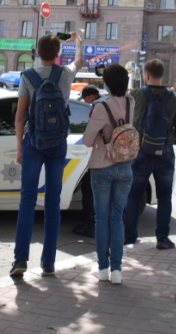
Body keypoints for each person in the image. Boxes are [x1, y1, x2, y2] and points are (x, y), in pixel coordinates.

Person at [10, 32, 83, 278]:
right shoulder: (65, 74)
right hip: (57, 144)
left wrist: (20, 147)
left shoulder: (27, 77)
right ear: (58, 54)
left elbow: (19, 117)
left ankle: (20, 259)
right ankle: (48, 262)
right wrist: (78, 41)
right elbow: (79, 62)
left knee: (27, 200)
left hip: (33, 143)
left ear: (38, 53)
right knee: (53, 202)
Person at [124, 59, 176, 250]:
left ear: (146, 75)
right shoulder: (175, 98)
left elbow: (130, 123)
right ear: (162, 75)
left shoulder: (136, 94)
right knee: (165, 197)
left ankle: (129, 236)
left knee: (134, 195)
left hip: (140, 153)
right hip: (165, 153)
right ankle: (162, 238)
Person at [82, 64, 134, 284]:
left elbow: (86, 140)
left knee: (101, 217)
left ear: (108, 84)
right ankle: (118, 271)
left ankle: (103, 269)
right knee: (117, 217)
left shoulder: (102, 107)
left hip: (102, 166)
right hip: (125, 166)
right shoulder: (132, 102)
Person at [72, 83, 102, 238]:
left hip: (98, 156)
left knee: (89, 190)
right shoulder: (109, 102)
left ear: (91, 96)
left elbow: (91, 133)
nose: (84, 102)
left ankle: (89, 224)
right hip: (111, 156)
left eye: (85, 98)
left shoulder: (97, 107)